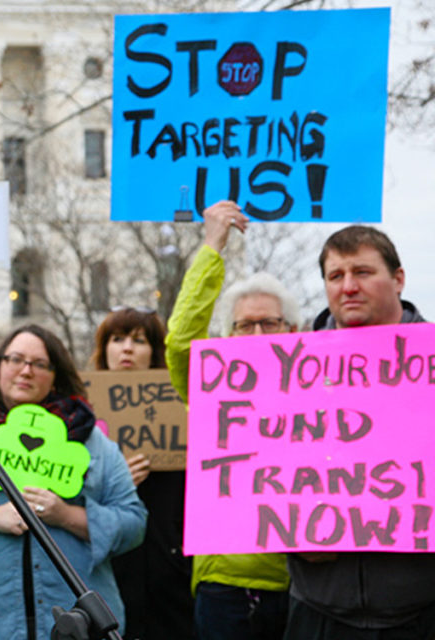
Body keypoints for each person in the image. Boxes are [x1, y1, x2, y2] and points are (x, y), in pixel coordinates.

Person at [0, 324, 146, 640]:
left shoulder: (91, 442)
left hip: (78, 623)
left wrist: (68, 516)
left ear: (56, 375)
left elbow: (134, 522)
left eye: (39, 364)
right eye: (15, 359)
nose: (25, 371)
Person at [284, 225, 435, 638]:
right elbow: (261, 475)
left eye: (363, 272)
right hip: (319, 608)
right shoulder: (281, 374)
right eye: (336, 276)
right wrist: (293, 536)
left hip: (421, 607)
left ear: (398, 278)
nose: (348, 286)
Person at [164, 201, 300, 640]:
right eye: (245, 325)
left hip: (302, 580)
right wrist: (212, 248)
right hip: (225, 584)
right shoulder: (213, 388)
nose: (258, 335)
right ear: (228, 337)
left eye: (270, 323)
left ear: (293, 332)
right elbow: (182, 341)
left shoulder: (319, 390)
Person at [91, 308, 195, 640]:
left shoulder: (182, 409)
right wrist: (120, 484)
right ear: (104, 349)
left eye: (138, 341)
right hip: (112, 569)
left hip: (171, 567)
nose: (126, 349)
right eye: (117, 339)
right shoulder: (80, 416)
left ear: (154, 352)